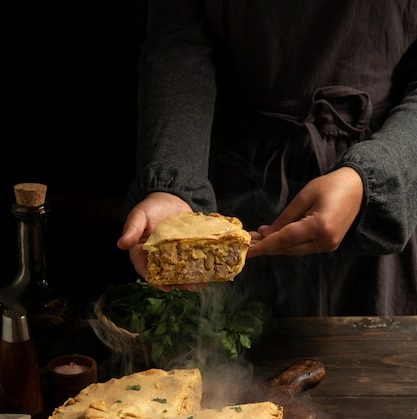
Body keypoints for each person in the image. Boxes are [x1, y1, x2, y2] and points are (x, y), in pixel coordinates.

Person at [117, 0, 417, 316]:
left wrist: (371, 178)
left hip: (389, 173)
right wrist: (172, 182)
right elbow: (179, 48)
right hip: (237, 175)